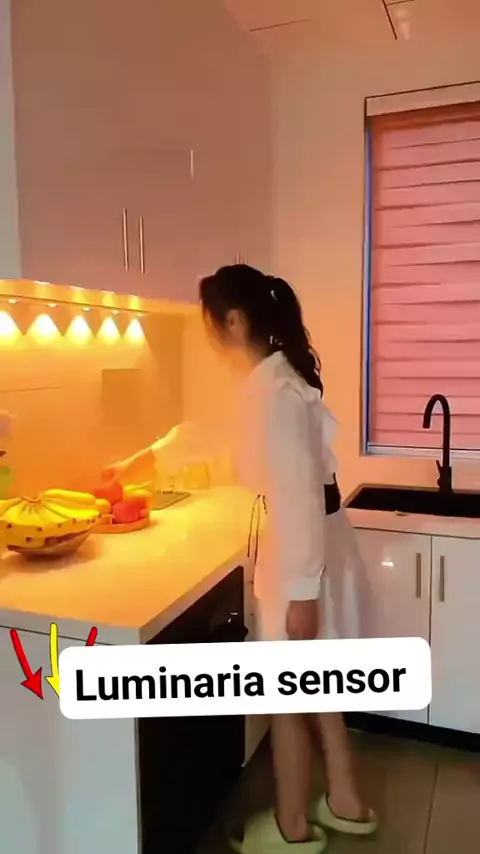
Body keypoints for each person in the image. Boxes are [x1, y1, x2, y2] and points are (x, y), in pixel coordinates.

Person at [102, 265, 377, 854]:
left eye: (210, 323)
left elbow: (299, 497)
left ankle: (292, 826)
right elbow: (211, 432)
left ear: (233, 320)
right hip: (313, 549)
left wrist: (302, 594)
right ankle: (346, 800)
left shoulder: (275, 394)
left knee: (286, 696)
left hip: (301, 555)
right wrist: (139, 462)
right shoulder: (269, 384)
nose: (207, 337)